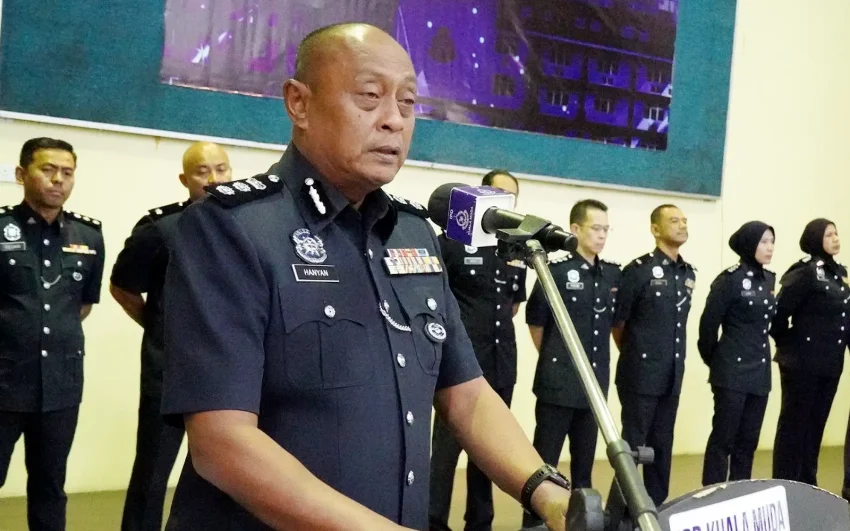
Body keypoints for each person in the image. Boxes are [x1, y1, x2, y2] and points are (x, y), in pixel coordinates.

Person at [159, 23, 571, 531]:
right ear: (299, 103)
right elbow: (221, 442)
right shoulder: (233, 229)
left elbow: (466, 395)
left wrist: (550, 495)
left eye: (408, 102)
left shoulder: (414, 234)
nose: (394, 120)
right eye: (370, 96)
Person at [110, 141, 233, 531]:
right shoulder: (160, 228)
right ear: (184, 179)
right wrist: (162, 329)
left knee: (225, 474)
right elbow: (122, 287)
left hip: (225, 376)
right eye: (202, 171)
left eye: (221, 169)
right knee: (152, 473)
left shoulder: (246, 225)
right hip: (167, 374)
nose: (213, 179)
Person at [0, 137, 105, 531]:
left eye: (67, 172)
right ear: (21, 173)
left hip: (60, 385)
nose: (58, 180)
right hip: (4, 381)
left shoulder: (88, 236)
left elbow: (82, 305)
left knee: (50, 486)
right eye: (47, 170)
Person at [428, 169, 527, 531]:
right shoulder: (451, 242)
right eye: (498, 194)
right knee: (446, 451)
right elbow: (435, 303)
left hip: (501, 361)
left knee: (491, 449)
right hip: (460, 367)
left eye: (511, 198)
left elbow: (512, 305)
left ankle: (480, 521)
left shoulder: (515, 249)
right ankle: (433, 520)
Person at [521, 199, 620, 530]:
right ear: (575, 229)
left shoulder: (611, 274)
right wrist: (557, 358)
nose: (602, 235)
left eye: (606, 229)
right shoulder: (557, 271)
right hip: (558, 383)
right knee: (544, 466)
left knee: (584, 467)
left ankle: (581, 525)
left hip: (593, 388)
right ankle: (534, 526)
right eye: (596, 228)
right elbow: (536, 322)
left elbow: (615, 325)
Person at [612, 204, 695, 507]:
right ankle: (621, 512)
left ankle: (656, 508)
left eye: (684, 220)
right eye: (674, 221)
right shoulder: (639, 271)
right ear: (655, 229)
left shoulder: (687, 273)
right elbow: (618, 324)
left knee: (662, 445)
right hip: (640, 374)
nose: (682, 225)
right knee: (633, 447)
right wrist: (638, 356)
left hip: (671, 375)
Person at [697, 222, 776, 486]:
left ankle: (740, 492)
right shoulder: (729, 280)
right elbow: (707, 328)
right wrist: (719, 363)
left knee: (748, 441)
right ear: (749, 244)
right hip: (732, 371)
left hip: (759, 372)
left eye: (772, 241)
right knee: (723, 439)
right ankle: (713, 492)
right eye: (763, 242)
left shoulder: (769, 279)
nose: (770, 247)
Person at [770, 218, 848, 486]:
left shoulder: (840, 273)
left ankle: (807, 484)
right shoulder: (805, 271)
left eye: (836, 233)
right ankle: (786, 484)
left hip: (830, 364)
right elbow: (778, 314)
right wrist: (790, 344)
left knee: (815, 427)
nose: (835, 239)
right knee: (794, 427)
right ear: (815, 239)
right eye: (828, 235)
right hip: (801, 363)